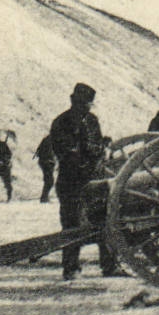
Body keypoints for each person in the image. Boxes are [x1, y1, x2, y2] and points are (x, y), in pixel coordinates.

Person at [49, 82, 117, 279]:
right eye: (82, 103)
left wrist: (99, 150)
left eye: (88, 104)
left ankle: (110, 266)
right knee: (72, 224)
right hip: (71, 181)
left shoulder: (93, 120)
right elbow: (66, 153)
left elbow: (97, 146)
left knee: (104, 219)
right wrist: (91, 151)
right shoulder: (61, 122)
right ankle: (71, 268)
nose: (86, 107)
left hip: (94, 180)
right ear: (73, 101)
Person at [35, 132, 57, 203]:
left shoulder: (47, 139)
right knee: (49, 181)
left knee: (48, 180)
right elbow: (49, 152)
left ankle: (44, 197)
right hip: (47, 162)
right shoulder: (50, 140)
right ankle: (44, 198)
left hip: (44, 162)